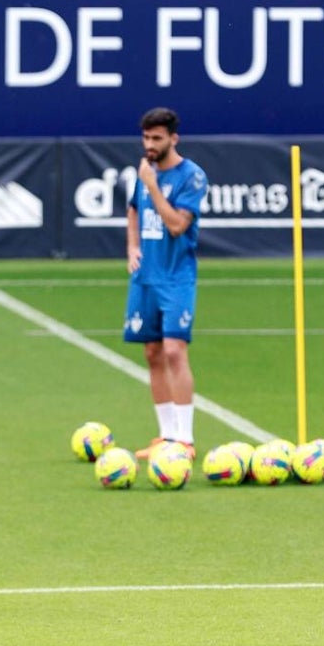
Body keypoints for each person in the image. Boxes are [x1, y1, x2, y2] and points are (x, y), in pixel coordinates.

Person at [124, 107, 208, 460]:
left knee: (175, 350)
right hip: (146, 277)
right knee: (152, 352)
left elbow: (176, 225)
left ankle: (185, 441)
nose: (150, 144)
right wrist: (132, 246)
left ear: (174, 138)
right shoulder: (144, 172)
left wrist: (153, 186)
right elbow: (133, 209)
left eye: (156, 138)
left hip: (176, 277)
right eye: (146, 137)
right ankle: (166, 435)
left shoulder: (191, 177)